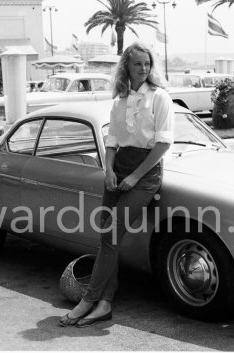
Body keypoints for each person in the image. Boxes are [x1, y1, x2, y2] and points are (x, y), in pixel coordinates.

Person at [59, 42, 174, 328]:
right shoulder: (119, 100)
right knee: (105, 237)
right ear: (126, 66)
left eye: (147, 64)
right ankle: (105, 304)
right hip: (118, 168)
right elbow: (112, 142)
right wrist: (108, 170)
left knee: (110, 234)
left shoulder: (160, 97)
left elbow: (163, 143)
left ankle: (89, 298)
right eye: (138, 64)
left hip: (145, 174)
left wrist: (135, 176)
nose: (144, 69)